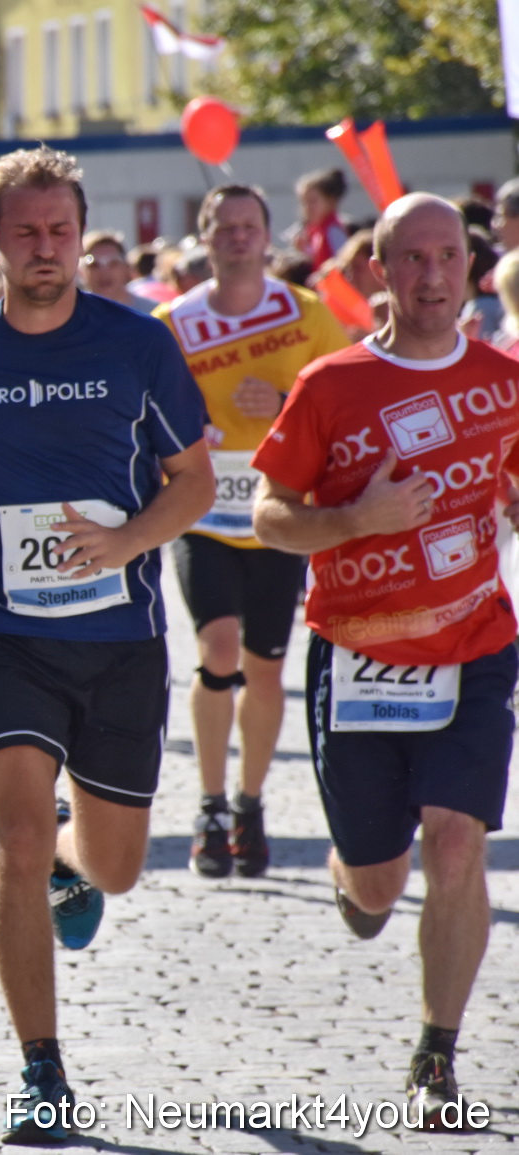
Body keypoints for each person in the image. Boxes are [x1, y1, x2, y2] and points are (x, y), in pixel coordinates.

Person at [0, 146, 213, 1144]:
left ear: (78, 232)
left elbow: (191, 480)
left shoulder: (136, 344)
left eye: (60, 230)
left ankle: (73, 860)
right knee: (13, 839)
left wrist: (125, 541)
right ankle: (41, 1072)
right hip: (3, 634)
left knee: (115, 867)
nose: (46, 249)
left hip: (119, 640)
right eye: (25, 232)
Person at [251, 193, 519, 1130]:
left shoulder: (504, 377)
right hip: (356, 656)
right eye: (413, 258)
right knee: (378, 879)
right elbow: (269, 513)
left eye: (449, 255)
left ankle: (435, 1055)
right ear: (379, 270)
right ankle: (352, 871)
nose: (434, 275)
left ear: (471, 267)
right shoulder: (329, 385)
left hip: (475, 645)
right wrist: (355, 520)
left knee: (457, 839)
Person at [152, 186, 348, 879]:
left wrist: (284, 403)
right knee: (220, 645)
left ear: (267, 237)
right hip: (201, 511)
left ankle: (249, 801)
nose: (237, 237)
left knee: (266, 667)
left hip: (275, 513)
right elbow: (147, 414)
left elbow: (343, 404)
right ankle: (208, 802)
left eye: (249, 226)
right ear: (204, 237)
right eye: (223, 227)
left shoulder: (307, 315)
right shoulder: (170, 324)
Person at [78, 230, 157, 314]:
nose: (104, 272)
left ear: (127, 268)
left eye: (113, 263)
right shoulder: (73, 316)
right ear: (82, 272)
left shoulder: (153, 313)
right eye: (94, 265)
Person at [288, 168, 350, 273]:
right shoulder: (315, 231)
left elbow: (343, 263)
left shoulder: (333, 230)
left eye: (313, 202)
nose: (307, 208)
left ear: (330, 201)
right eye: (304, 203)